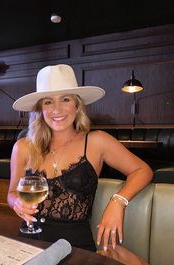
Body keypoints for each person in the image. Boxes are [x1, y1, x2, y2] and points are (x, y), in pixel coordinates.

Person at [8, 64, 153, 253]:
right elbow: (12, 193)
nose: (57, 109)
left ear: (77, 105)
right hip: (30, 243)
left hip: (75, 248)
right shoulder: (23, 147)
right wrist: (17, 203)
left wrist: (118, 202)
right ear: (40, 109)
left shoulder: (97, 141)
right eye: (48, 102)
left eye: (65, 99)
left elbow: (143, 170)